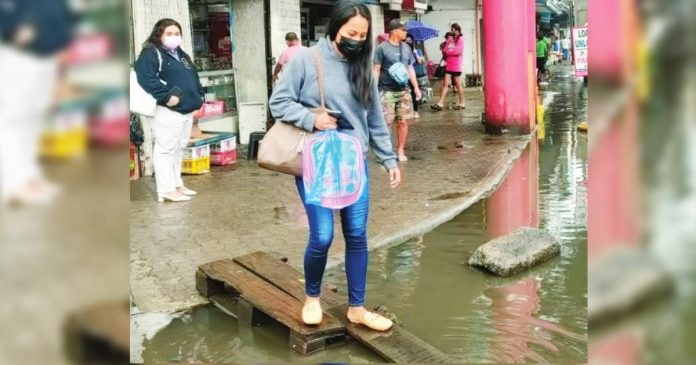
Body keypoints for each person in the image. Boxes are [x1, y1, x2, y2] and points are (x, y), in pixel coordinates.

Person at [269, 0, 402, 332]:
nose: (356, 39)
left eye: (362, 34)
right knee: (323, 235)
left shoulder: (363, 65)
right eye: (350, 32)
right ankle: (312, 297)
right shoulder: (305, 60)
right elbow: (279, 102)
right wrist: (313, 120)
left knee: (357, 235)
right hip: (317, 162)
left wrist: (388, 159)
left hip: (354, 162)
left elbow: (373, 118)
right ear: (335, 27)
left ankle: (357, 307)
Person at [0, 0, 75, 205]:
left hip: (47, 59)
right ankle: (15, 183)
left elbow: (65, 19)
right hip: (19, 57)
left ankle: (30, 179)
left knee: (33, 121)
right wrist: (16, 32)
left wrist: (61, 66)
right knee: (13, 122)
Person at [135, 18, 204, 202]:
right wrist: (166, 96)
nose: (174, 37)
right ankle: (165, 189)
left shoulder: (180, 54)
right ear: (159, 35)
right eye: (169, 34)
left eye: (176, 34)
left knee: (179, 147)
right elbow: (146, 78)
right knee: (165, 148)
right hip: (166, 110)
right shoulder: (150, 54)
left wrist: (199, 97)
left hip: (186, 110)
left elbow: (193, 76)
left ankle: (176, 184)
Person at [373, 19, 421, 162]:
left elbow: (410, 68)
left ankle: (400, 151)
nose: (406, 32)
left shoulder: (406, 48)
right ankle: (385, 153)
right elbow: (376, 69)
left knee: (403, 122)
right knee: (386, 122)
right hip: (386, 90)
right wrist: (374, 90)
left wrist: (416, 88)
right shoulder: (382, 48)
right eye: (403, 30)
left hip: (403, 91)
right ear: (394, 31)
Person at [431, 23, 465, 111]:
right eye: (451, 29)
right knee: (445, 84)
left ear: (457, 30)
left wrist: (450, 51)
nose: (452, 31)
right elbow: (445, 51)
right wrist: (450, 51)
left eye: (453, 29)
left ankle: (462, 102)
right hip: (449, 65)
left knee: (457, 84)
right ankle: (440, 103)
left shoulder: (461, 39)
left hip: (456, 65)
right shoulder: (450, 40)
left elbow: (457, 52)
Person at [406, 33, 425, 119]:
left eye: (410, 41)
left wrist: (416, 53)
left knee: (414, 92)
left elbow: (421, 62)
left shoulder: (417, 50)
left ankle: (415, 111)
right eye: (406, 41)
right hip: (403, 74)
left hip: (414, 74)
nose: (408, 42)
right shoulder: (403, 50)